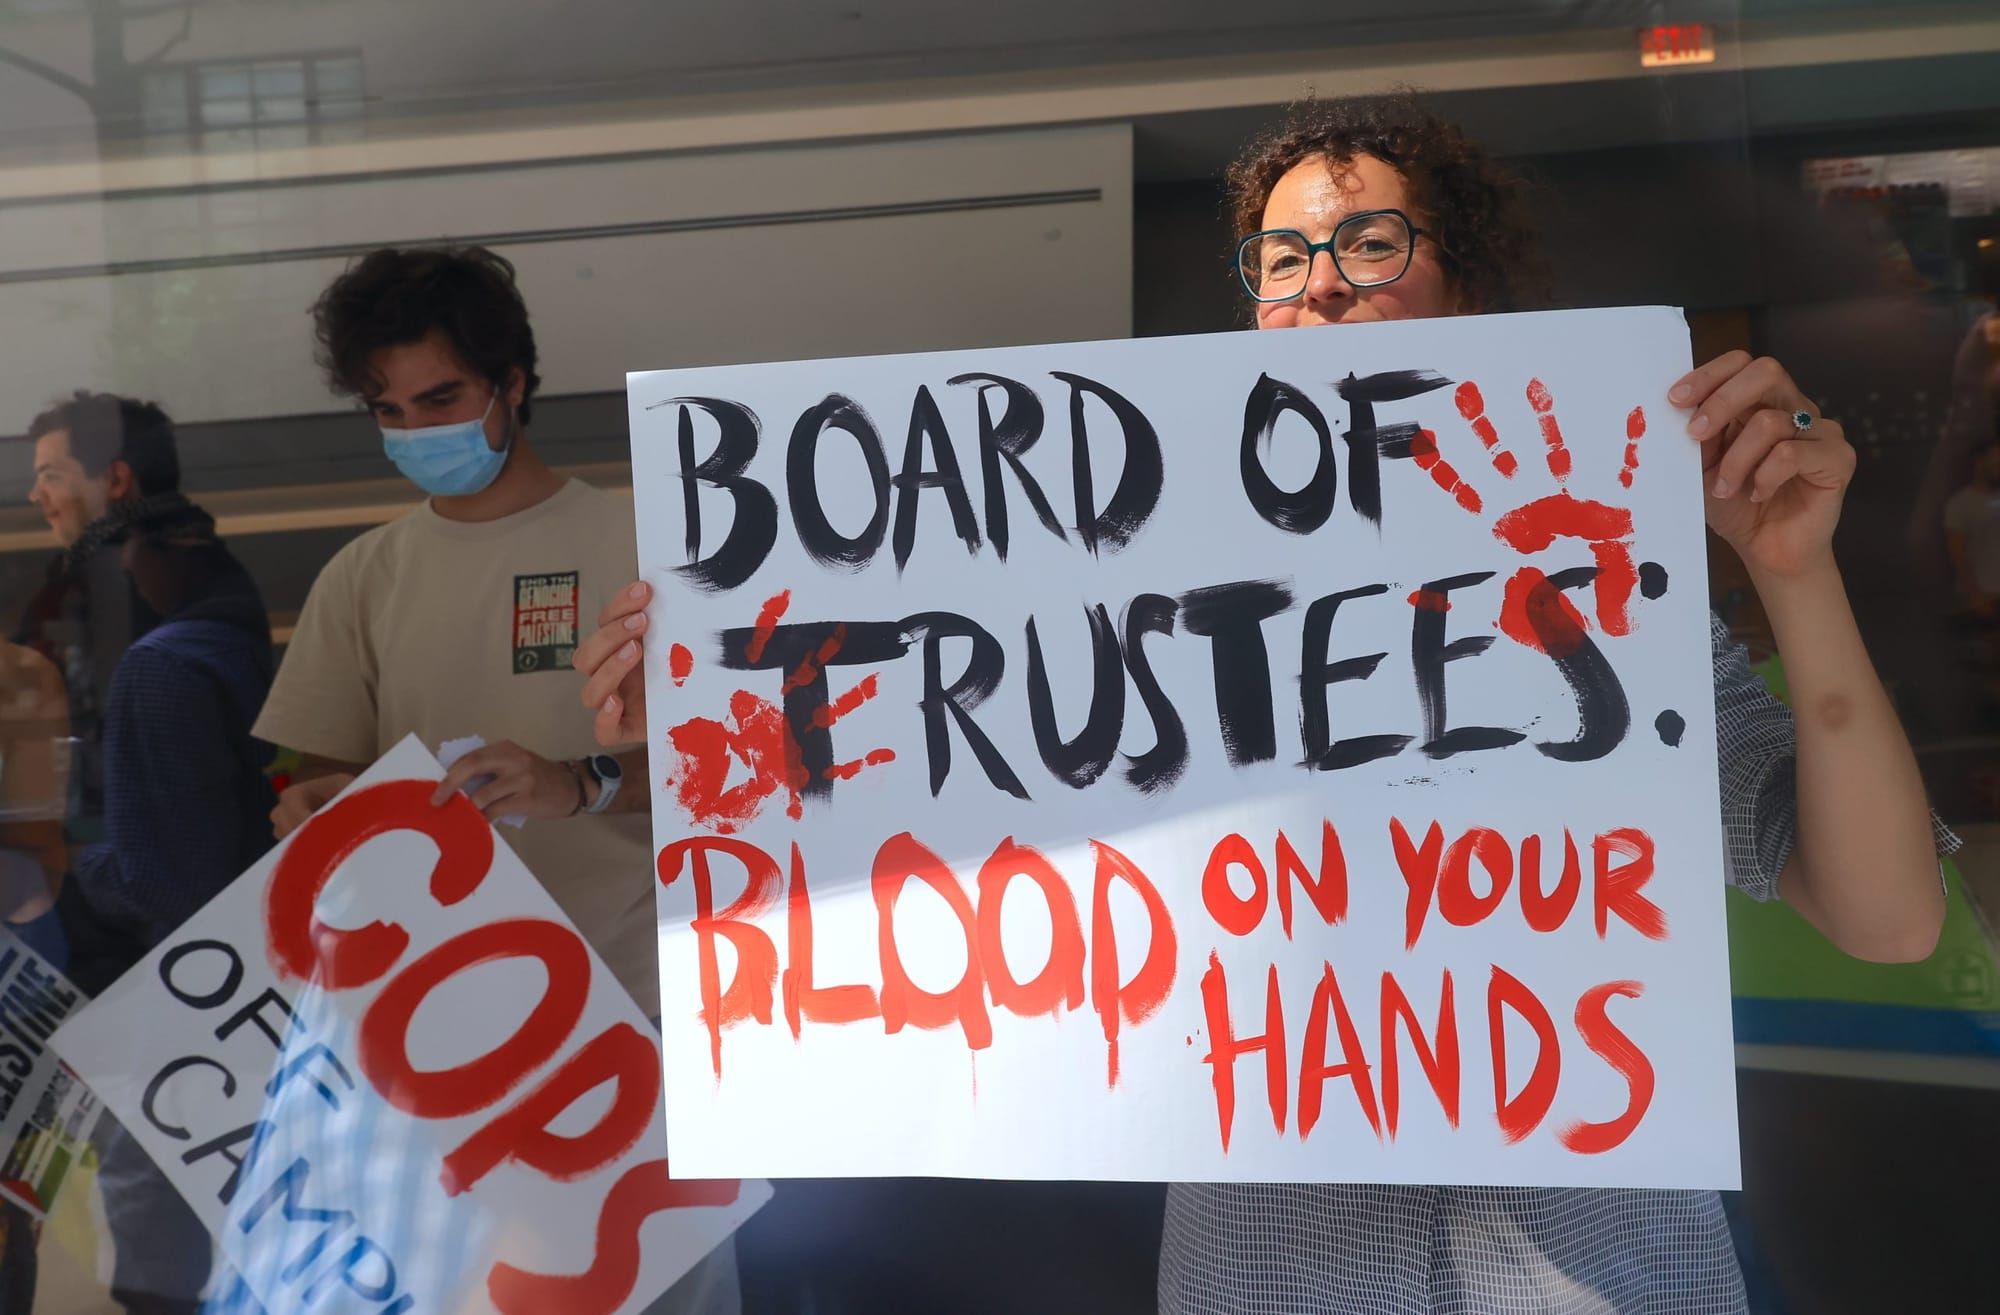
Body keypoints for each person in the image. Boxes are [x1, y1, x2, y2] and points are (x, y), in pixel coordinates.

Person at [573, 93, 1956, 1315]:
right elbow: (919, 810)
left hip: (1594, 1271)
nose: (1321, 288)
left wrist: (1797, 578)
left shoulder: (1598, 606)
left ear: (1470, 292)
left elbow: (1888, 917)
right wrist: (717, 727)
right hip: (1282, 1271)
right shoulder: (1117, 611)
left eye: (1369, 245)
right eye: (1282, 259)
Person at [253, 244, 737, 1315]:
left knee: (661, 1287)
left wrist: (578, 783)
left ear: (512, 382)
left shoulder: (646, 538)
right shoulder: (364, 576)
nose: (418, 432)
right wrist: (312, 813)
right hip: (450, 1040)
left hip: (643, 1017)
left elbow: (749, 769)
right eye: (389, 411)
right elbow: (316, 782)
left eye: (443, 397)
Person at [1945, 441, 2000, 616]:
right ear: (1979, 462)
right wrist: (1974, 594)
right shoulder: (1960, 504)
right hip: (1985, 597)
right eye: (1995, 459)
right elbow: (1957, 554)